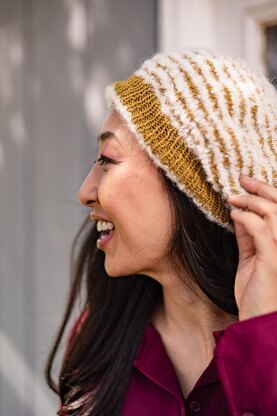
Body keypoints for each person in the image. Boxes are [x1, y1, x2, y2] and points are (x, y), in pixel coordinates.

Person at [46, 49, 277, 416]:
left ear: (190, 187)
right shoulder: (99, 334)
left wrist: (264, 342)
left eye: (108, 160)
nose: (85, 192)